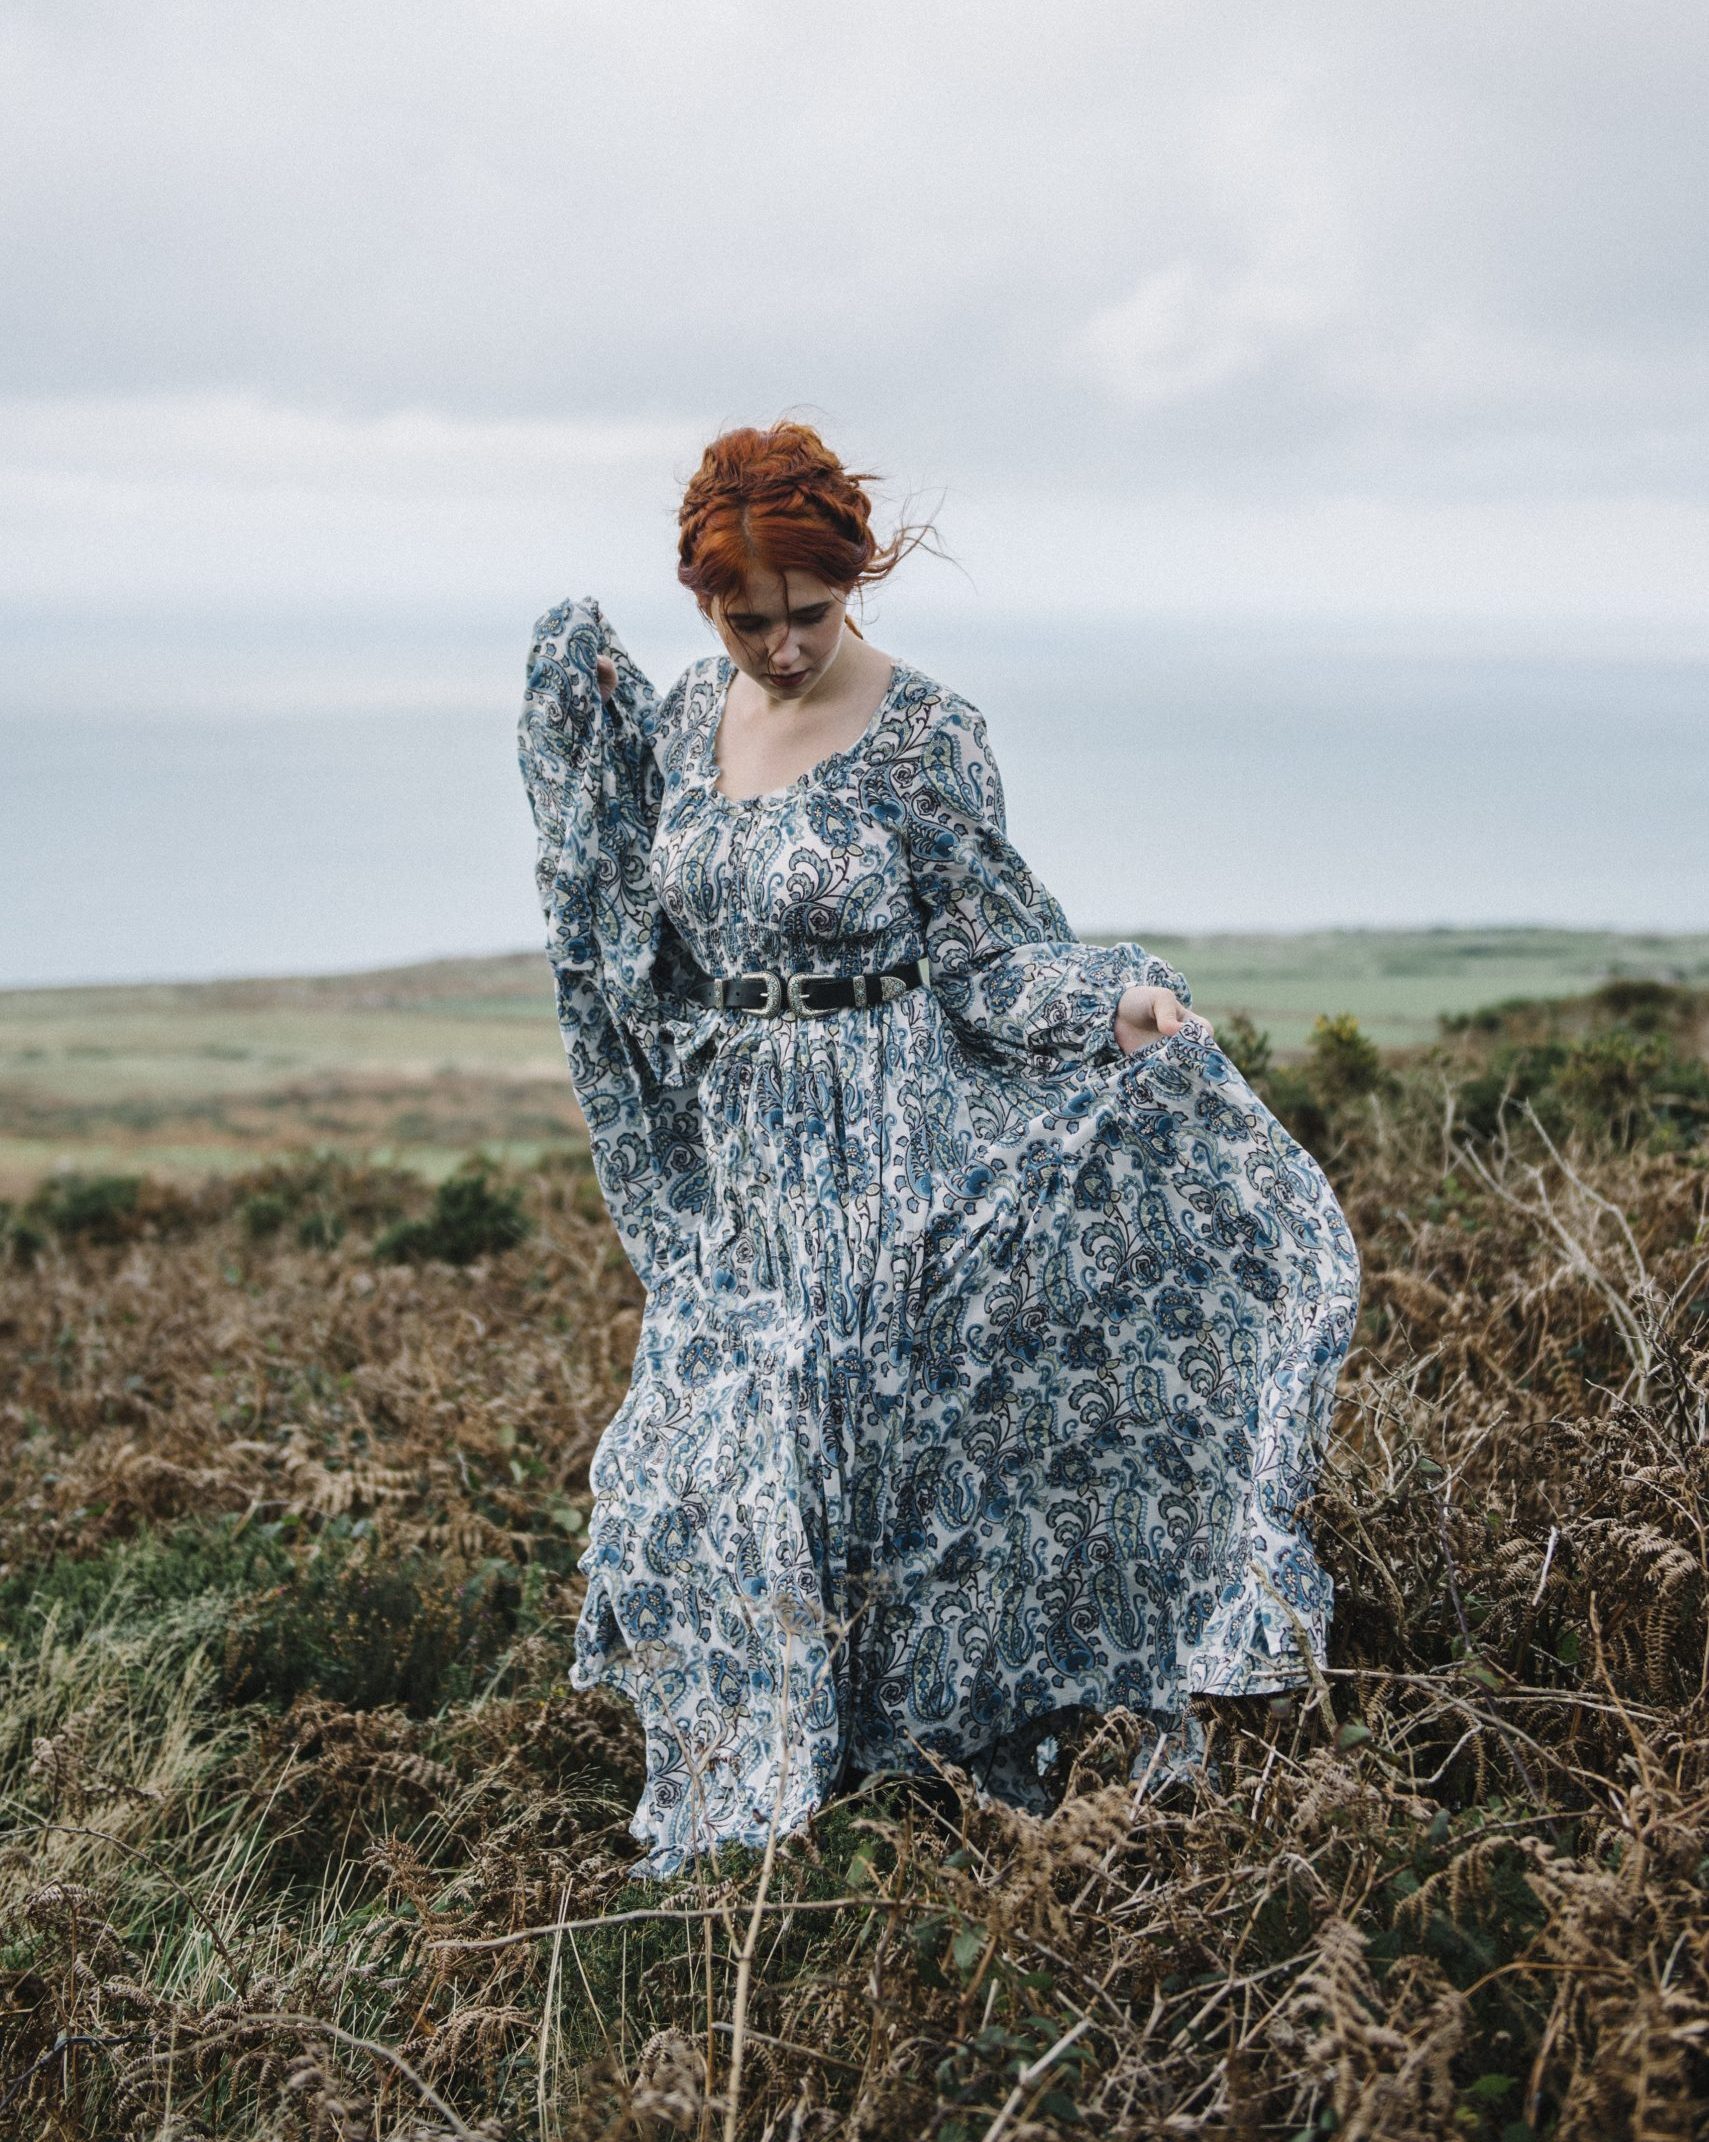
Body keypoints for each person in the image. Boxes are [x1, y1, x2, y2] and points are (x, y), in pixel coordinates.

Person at [517, 421, 1361, 1878]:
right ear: (700, 599)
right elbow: (631, 941)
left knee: (870, 1474)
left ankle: (860, 1814)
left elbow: (988, 960)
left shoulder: (929, 735)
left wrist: (1117, 1003)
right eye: (745, 618)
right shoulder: (672, 724)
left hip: (884, 1144)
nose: (779, 648)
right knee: (688, 1473)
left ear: (854, 583)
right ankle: (744, 1813)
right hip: (741, 1167)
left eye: (807, 614)